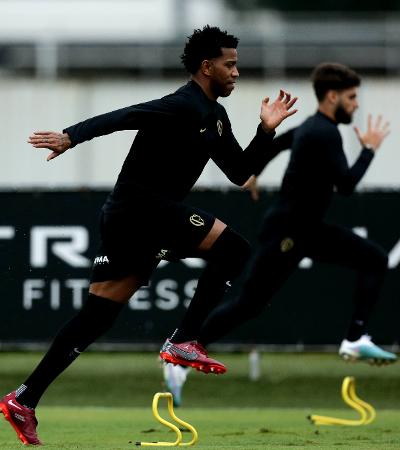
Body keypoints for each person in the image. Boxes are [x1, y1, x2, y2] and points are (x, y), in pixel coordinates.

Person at [0, 25, 297, 445]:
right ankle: (183, 340)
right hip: (141, 212)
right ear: (206, 66)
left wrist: (265, 130)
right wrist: (71, 136)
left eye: (236, 63)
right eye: (229, 64)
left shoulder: (214, 115)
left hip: (133, 218)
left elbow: (239, 171)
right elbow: (126, 116)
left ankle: (24, 399)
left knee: (97, 316)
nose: (236, 72)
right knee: (233, 248)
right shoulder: (182, 104)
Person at [194, 62, 397, 365]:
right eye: (351, 97)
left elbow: (281, 142)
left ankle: (355, 339)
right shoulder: (324, 133)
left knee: (375, 259)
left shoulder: (311, 127)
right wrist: (368, 150)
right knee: (249, 305)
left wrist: (254, 172)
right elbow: (346, 185)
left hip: (310, 231)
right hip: (286, 231)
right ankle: (184, 347)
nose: (355, 105)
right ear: (332, 97)